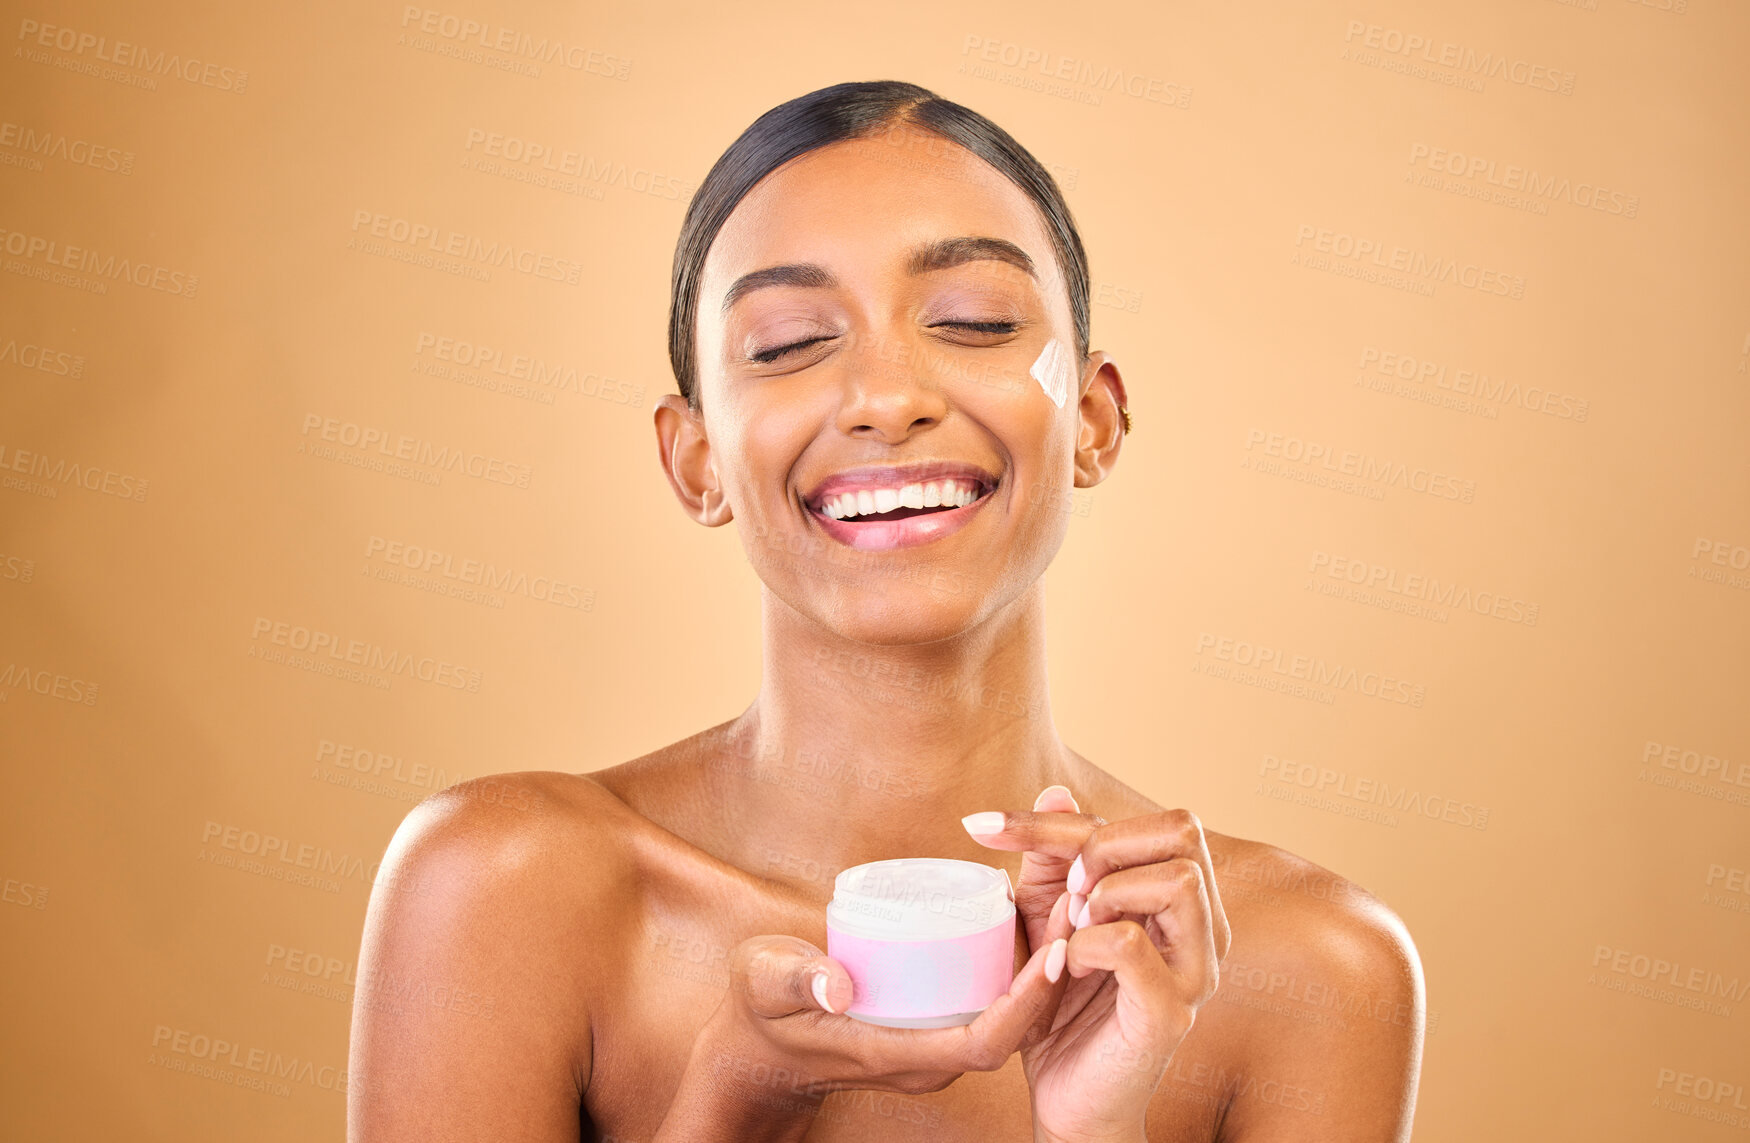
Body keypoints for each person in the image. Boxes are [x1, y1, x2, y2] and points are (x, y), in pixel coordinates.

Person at [348, 80, 1424, 1143]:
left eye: (974, 320)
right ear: (697, 462)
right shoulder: (502, 893)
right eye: (784, 344)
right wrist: (728, 1100)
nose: (885, 397)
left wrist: (1098, 1131)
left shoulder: (1309, 967)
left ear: (1093, 421)